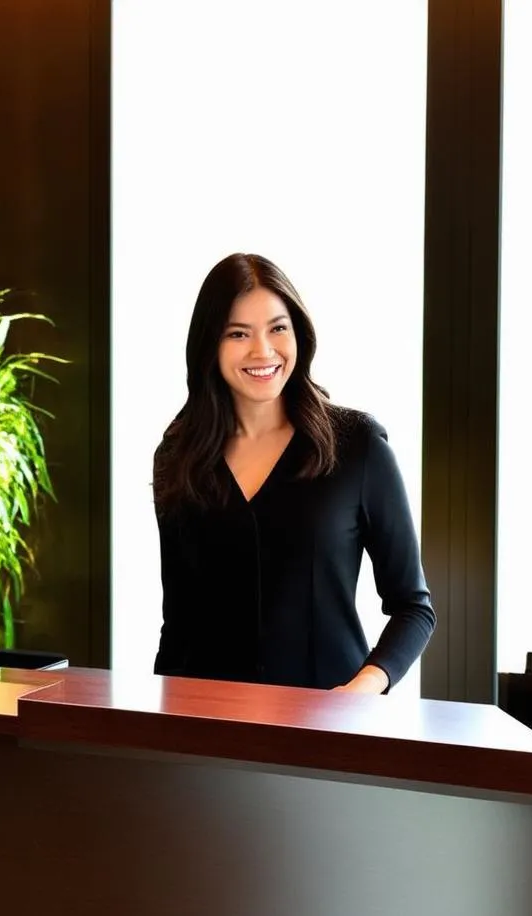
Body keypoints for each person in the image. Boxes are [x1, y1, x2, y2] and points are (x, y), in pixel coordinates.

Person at [152, 253, 435, 692]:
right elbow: (180, 621)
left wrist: (360, 692)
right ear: (210, 344)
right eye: (238, 333)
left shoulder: (357, 445)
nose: (262, 351)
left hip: (329, 730)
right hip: (206, 732)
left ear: (298, 333)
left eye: (277, 328)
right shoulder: (179, 455)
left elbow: (413, 608)